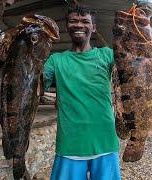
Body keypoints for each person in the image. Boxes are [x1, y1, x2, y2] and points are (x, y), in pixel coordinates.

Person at [44, 5, 121, 180]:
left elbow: (136, 66)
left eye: (85, 21)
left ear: (94, 28)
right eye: (73, 21)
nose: (79, 25)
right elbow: (34, 84)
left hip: (105, 143)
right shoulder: (56, 60)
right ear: (66, 27)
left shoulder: (107, 55)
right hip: (70, 146)